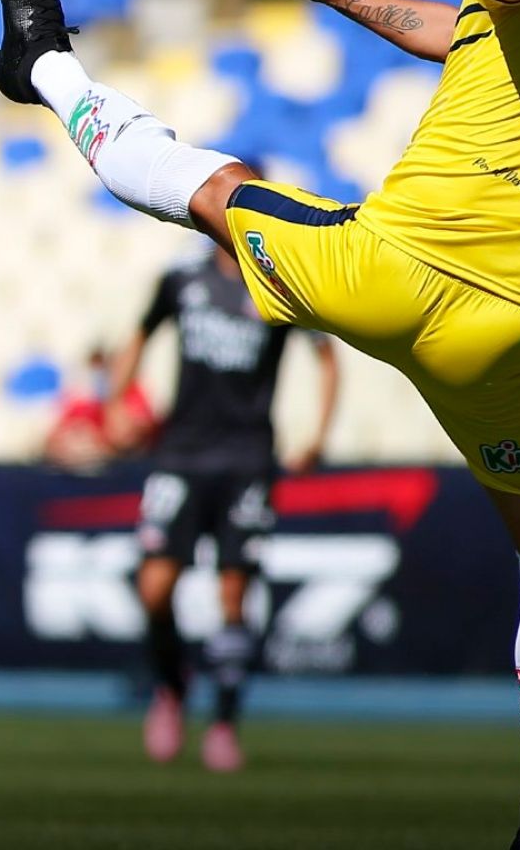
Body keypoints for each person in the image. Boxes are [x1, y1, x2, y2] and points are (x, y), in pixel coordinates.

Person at [0, 0, 520, 848]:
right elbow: (461, 35)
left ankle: (43, 66)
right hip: (511, 333)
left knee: (211, 187)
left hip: (388, 274)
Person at [109, 241, 338, 771]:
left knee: (233, 597)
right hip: (181, 455)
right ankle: (171, 688)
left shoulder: (279, 284)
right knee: (154, 590)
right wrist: (115, 405)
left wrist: (317, 435)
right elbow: (139, 335)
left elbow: (327, 360)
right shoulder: (181, 279)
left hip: (246, 460)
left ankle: (224, 723)